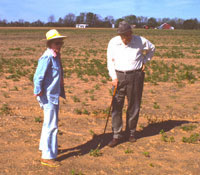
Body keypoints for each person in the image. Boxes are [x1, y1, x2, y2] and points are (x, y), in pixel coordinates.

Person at [107, 21, 155, 147]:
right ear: (119, 35)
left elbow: (152, 48)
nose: (126, 38)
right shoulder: (113, 42)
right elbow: (109, 61)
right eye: (123, 36)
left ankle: (131, 133)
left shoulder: (140, 40)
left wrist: (145, 60)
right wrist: (113, 77)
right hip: (119, 76)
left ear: (131, 33)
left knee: (134, 105)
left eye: (128, 35)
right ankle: (116, 135)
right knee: (117, 106)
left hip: (136, 75)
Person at [33, 29, 66, 167]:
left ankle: (44, 148)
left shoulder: (55, 56)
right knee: (52, 126)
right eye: (57, 43)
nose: (59, 45)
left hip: (52, 95)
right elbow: (38, 76)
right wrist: (39, 92)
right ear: (50, 44)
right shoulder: (47, 57)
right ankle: (47, 156)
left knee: (48, 123)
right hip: (48, 96)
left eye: (61, 43)